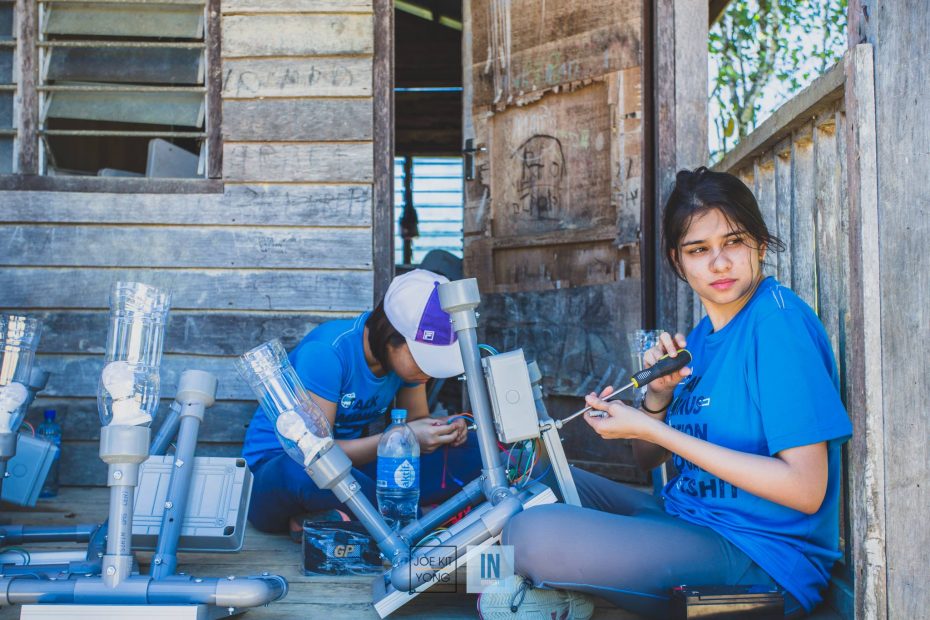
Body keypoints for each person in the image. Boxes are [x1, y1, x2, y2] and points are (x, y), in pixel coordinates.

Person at [481, 167, 853, 619]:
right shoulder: (700, 338)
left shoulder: (778, 326)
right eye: (699, 250)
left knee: (533, 534)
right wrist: (656, 398)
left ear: (758, 241)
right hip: (684, 519)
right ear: (679, 261)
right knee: (526, 482)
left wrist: (659, 433)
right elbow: (646, 460)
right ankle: (482, 581)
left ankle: (497, 585)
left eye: (733, 241)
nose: (719, 263)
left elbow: (806, 489)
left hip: (760, 558)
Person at [243, 269, 483, 534]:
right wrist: (402, 436)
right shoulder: (327, 353)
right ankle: (413, 520)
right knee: (307, 473)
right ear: (392, 336)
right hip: (280, 473)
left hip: (352, 468)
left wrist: (441, 430)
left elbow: (416, 422)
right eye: (423, 358)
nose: (429, 371)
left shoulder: (407, 367)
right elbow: (315, 454)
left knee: (477, 452)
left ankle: (325, 520)